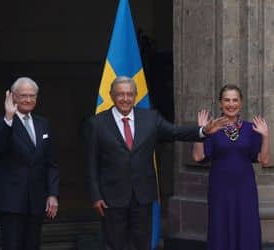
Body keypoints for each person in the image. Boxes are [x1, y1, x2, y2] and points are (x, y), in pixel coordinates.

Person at [87, 76, 227, 250]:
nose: (125, 99)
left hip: (143, 196)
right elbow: (92, 163)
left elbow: (175, 132)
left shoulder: (150, 118)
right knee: (115, 245)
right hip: (111, 198)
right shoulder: (98, 123)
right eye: (120, 94)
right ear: (111, 95)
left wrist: (203, 131)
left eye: (129, 94)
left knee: (142, 244)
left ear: (136, 95)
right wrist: (96, 196)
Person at [192, 84, 269, 250]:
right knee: (220, 227)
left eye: (235, 100)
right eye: (227, 100)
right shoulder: (212, 127)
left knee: (246, 227)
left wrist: (265, 137)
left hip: (245, 188)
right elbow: (198, 156)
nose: (231, 104)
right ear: (220, 103)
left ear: (241, 103)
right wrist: (201, 131)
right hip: (220, 188)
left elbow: (264, 160)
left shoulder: (250, 129)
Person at [0, 77, 59, 250]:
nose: (28, 100)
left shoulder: (43, 123)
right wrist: (9, 117)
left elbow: (51, 162)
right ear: (13, 97)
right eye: (23, 96)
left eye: (32, 95)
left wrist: (52, 194)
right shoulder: (2, 123)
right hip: (12, 201)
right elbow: (0, 148)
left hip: (37, 200)